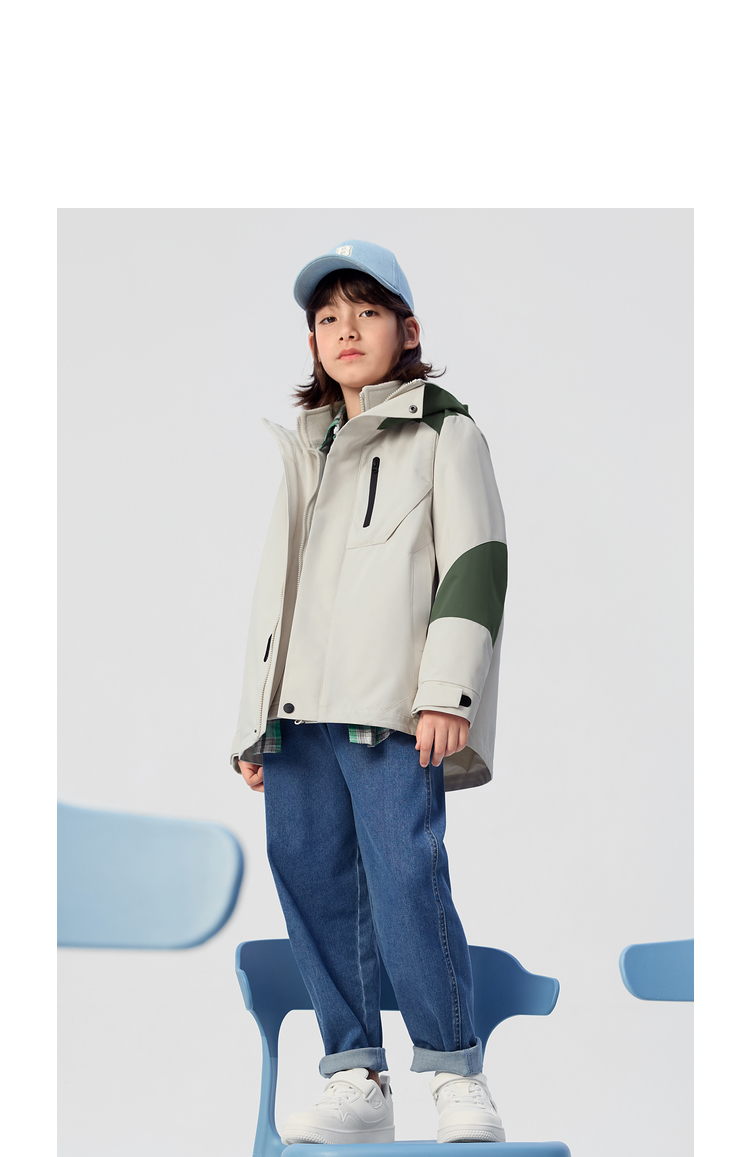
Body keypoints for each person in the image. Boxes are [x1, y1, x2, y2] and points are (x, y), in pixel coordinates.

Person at [233, 240, 508, 1144]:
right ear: (312, 341)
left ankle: (456, 1072)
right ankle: (355, 1072)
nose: (346, 329)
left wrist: (448, 692)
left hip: (388, 707)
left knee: (406, 880)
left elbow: (476, 564)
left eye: (366, 311)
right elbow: (277, 590)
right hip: (297, 717)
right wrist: (252, 720)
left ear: (408, 329)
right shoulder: (307, 446)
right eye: (327, 317)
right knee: (311, 884)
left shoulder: (445, 434)